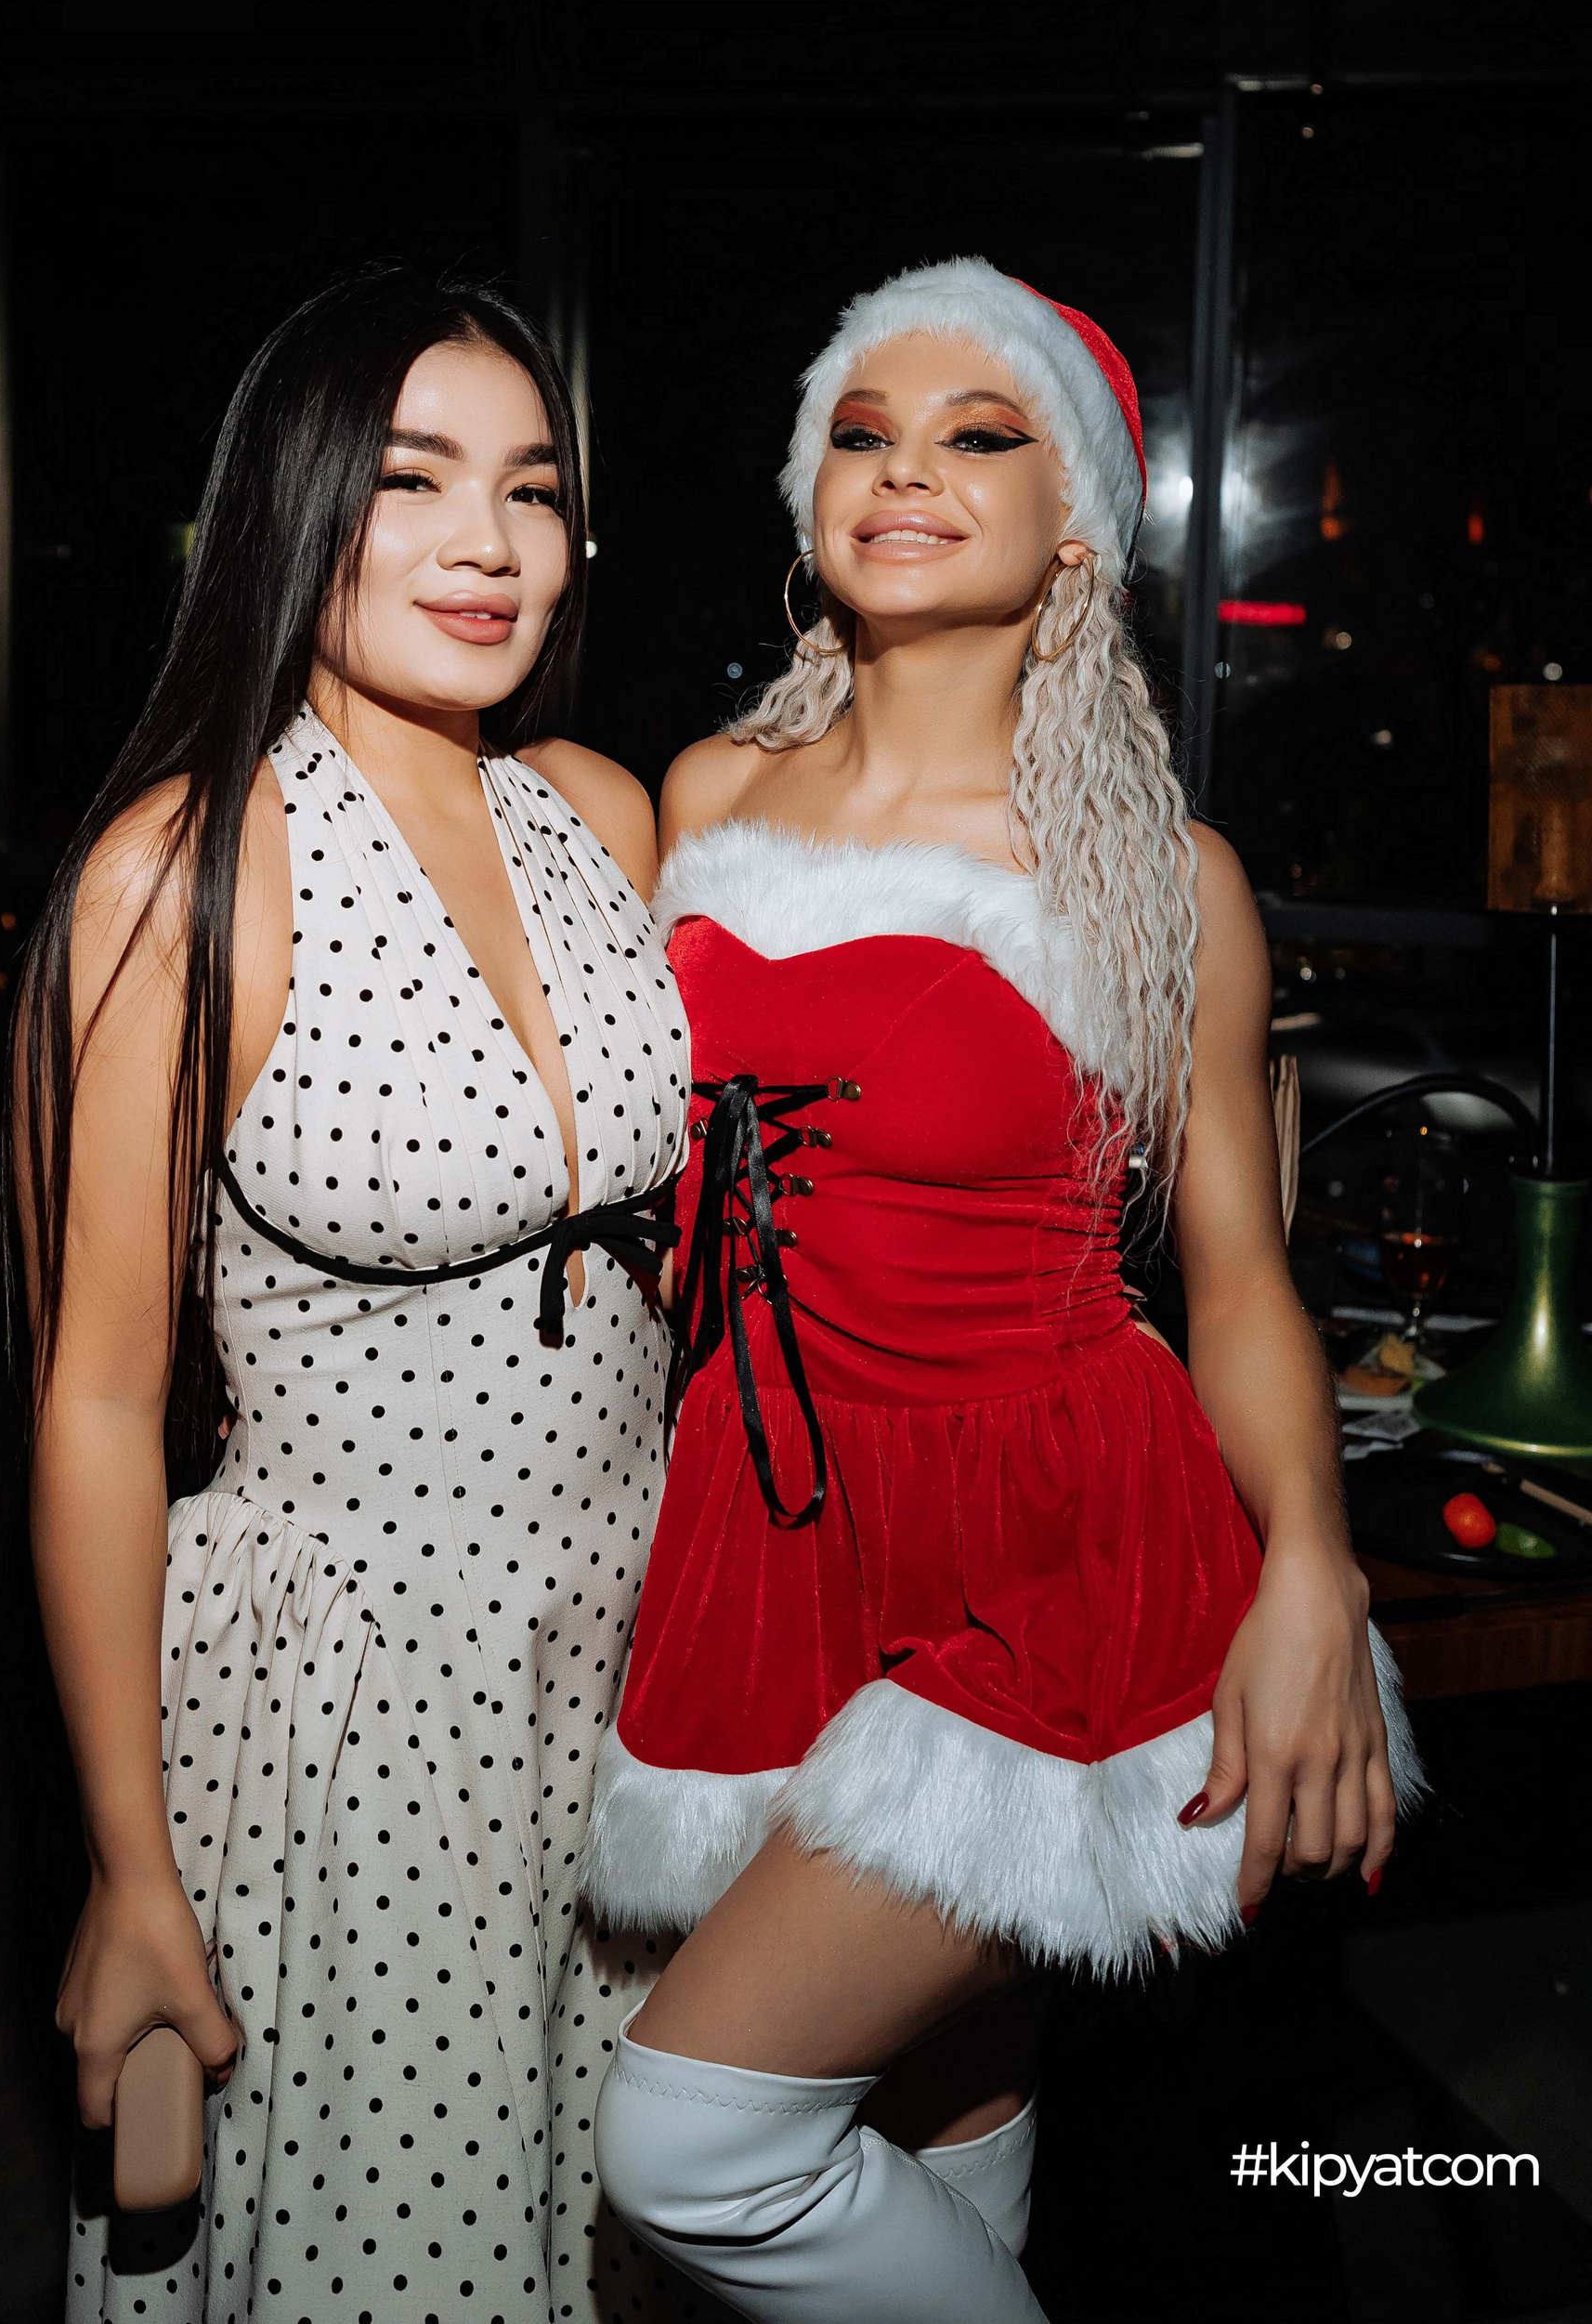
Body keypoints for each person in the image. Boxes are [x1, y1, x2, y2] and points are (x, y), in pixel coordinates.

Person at [581, 259, 1425, 2324]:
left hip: (1048, 1533)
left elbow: (1237, 1279)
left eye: (979, 436)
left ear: (1079, 531)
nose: (907, 472)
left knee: (691, 2141)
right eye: (864, 434)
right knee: (940, 2126)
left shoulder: (1156, 877)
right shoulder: (704, 799)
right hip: (779, 1521)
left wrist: (1312, 1570)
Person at [14, 270, 701, 2324]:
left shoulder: (600, 814)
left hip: (631, 1657)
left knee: (629, 2229)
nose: (488, 544)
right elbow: (96, 1406)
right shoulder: (185, 871)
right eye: (414, 480)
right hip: (356, 1702)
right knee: (409, 2258)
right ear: (293, 502)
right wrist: (129, 1867)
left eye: (532, 489)